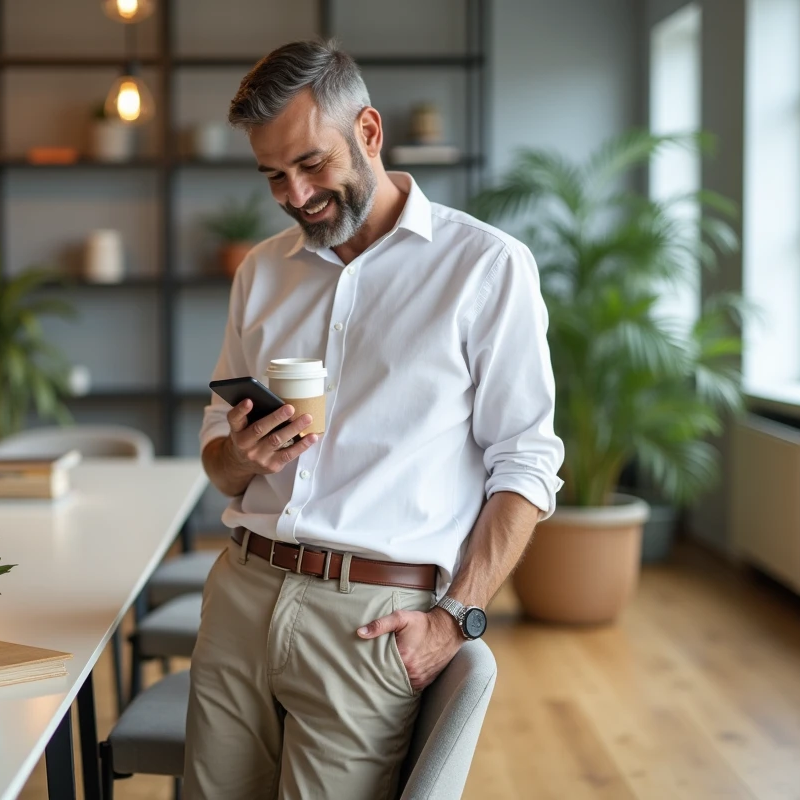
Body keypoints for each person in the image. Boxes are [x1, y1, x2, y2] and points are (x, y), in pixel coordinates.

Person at [185, 38, 565, 799]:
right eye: (273, 177)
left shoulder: (485, 267)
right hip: (242, 591)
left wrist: (458, 618)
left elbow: (525, 463)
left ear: (367, 130)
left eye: (311, 164)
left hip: (371, 617)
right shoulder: (261, 271)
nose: (294, 194)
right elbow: (214, 452)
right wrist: (240, 455)